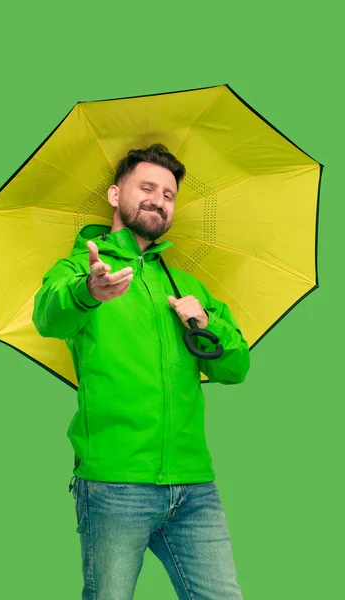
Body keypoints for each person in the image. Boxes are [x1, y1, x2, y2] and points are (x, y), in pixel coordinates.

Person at [32, 143, 250, 599]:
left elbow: (237, 367)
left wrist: (208, 325)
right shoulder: (82, 270)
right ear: (115, 195)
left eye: (168, 194)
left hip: (194, 486)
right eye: (146, 187)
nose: (158, 199)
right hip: (114, 484)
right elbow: (47, 317)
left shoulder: (185, 284)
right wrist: (89, 290)